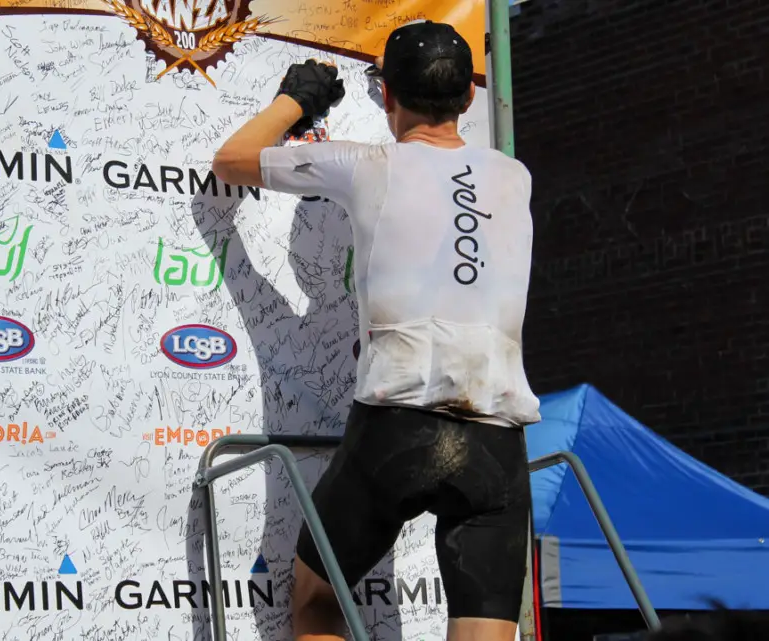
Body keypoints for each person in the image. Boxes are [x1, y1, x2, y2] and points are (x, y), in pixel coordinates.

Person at [212, 19, 540, 641]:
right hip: (496, 437)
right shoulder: (514, 176)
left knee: (318, 600)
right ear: (470, 99)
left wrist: (296, 100)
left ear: (386, 96)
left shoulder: (364, 163)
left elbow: (230, 160)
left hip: (399, 423)